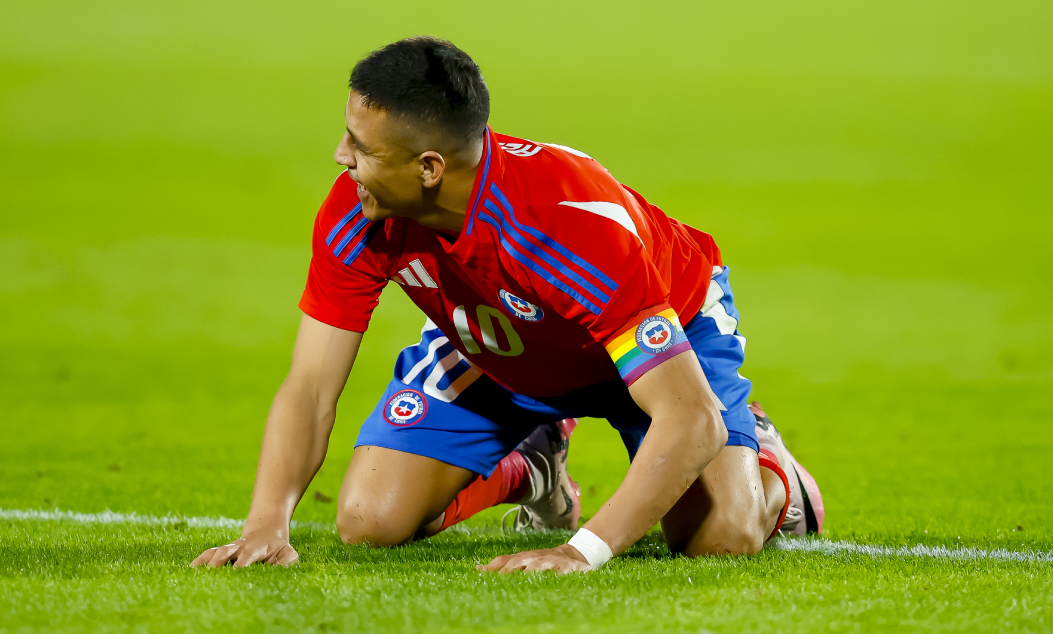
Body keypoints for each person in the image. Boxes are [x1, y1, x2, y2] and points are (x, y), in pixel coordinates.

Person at [191, 36, 823, 574]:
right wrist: (266, 523)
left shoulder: (561, 224)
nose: (341, 158)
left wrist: (583, 551)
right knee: (368, 519)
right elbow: (310, 387)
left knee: (720, 539)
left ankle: (774, 470)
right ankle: (533, 462)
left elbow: (690, 419)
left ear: (430, 167)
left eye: (361, 147)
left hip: (662, 339)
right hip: (503, 343)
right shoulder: (358, 212)